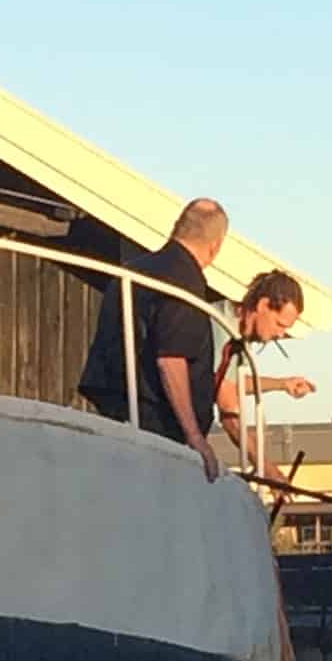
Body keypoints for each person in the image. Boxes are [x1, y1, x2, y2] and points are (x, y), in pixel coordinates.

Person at [78, 198, 229, 480]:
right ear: (215, 246)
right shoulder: (184, 283)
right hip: (156, 427)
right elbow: (171, 359)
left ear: (176, 229)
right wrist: (194, 436)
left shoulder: (135, 270)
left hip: (117, 415)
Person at [211, 269, 314, 473]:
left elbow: (232, 381)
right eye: (279, 324)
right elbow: (230, 414)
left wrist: (282, 384)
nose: (281, 334)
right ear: (262, 305)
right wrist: (268, 469)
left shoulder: (236, 335)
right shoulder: (221, 327)